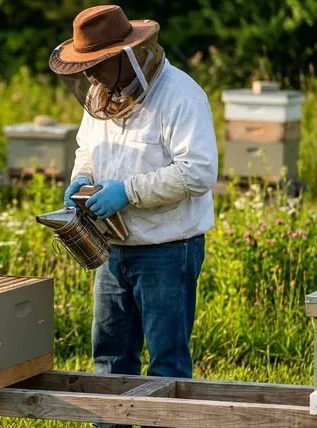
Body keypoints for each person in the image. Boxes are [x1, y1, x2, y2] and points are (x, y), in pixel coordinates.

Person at [49, 5, 218, 427]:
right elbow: (86, 147)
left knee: (168, 365)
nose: (90, 76)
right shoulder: (100, 94)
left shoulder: (180, 95)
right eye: (85, 67)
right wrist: (82, 179)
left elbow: (197, 172)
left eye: (98, 66)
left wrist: (128, 191)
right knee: (109, 360)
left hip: (168, 249)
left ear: (127, 56)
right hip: (112, 249)